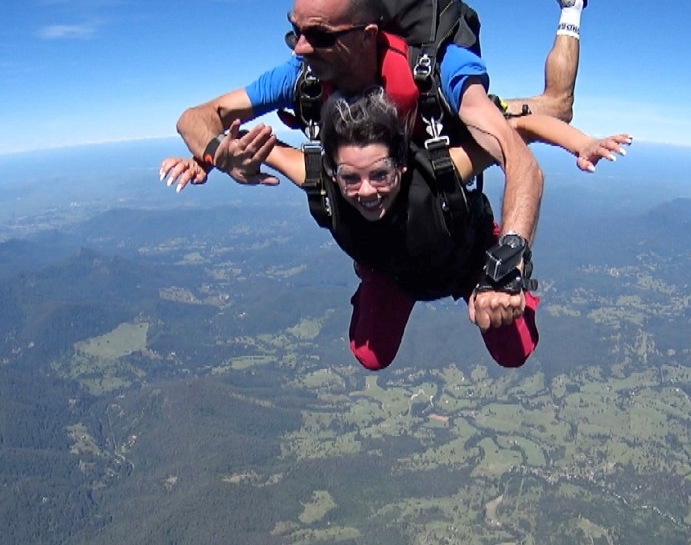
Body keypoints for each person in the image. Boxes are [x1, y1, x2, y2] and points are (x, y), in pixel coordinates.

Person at [159, 88, 632, 369]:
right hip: (392, 272)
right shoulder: (314, 173)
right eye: (350, 178)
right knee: (370, 355)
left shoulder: (441, 170)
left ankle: (511, 288)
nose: (365, 191)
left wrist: (581, 143)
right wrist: (211, 159)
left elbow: (520, 133)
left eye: (380, 174)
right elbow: (236, 144)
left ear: (403, 166)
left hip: (468, 262)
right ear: (331, 170)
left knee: (515, 351)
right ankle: (376, 281)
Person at [162, 0, 596, 191]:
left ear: (366, 36)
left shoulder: (436, 64)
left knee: (558, 106)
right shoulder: (301, 73)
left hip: (446, 122)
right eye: (296, 32)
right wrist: (214, 155)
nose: (299, 47)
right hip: (391, 168)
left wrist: (512, 253)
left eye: (319, 35)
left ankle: (571, 2)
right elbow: (197, 117)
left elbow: (511, 139)